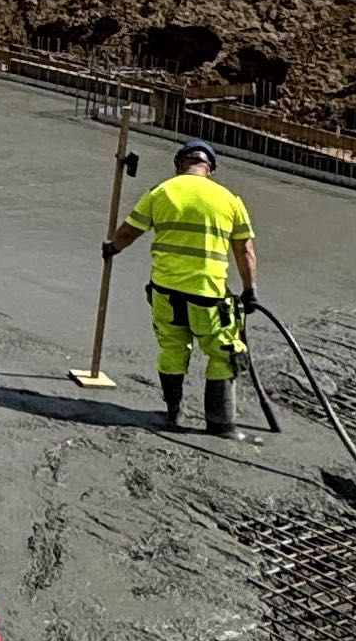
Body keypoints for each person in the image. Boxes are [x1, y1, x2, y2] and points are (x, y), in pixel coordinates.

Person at [102, 138, 258, 434]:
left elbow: (128, 232)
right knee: (225, 351)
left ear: (178, 166)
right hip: (208, 295)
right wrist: (250, 290)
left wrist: (111, 249)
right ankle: (221, 424)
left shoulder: (161, 192)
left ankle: (174, 413)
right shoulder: (229, 200)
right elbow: (244, 251)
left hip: (165, 291)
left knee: (172, 348)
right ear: (210, 169)